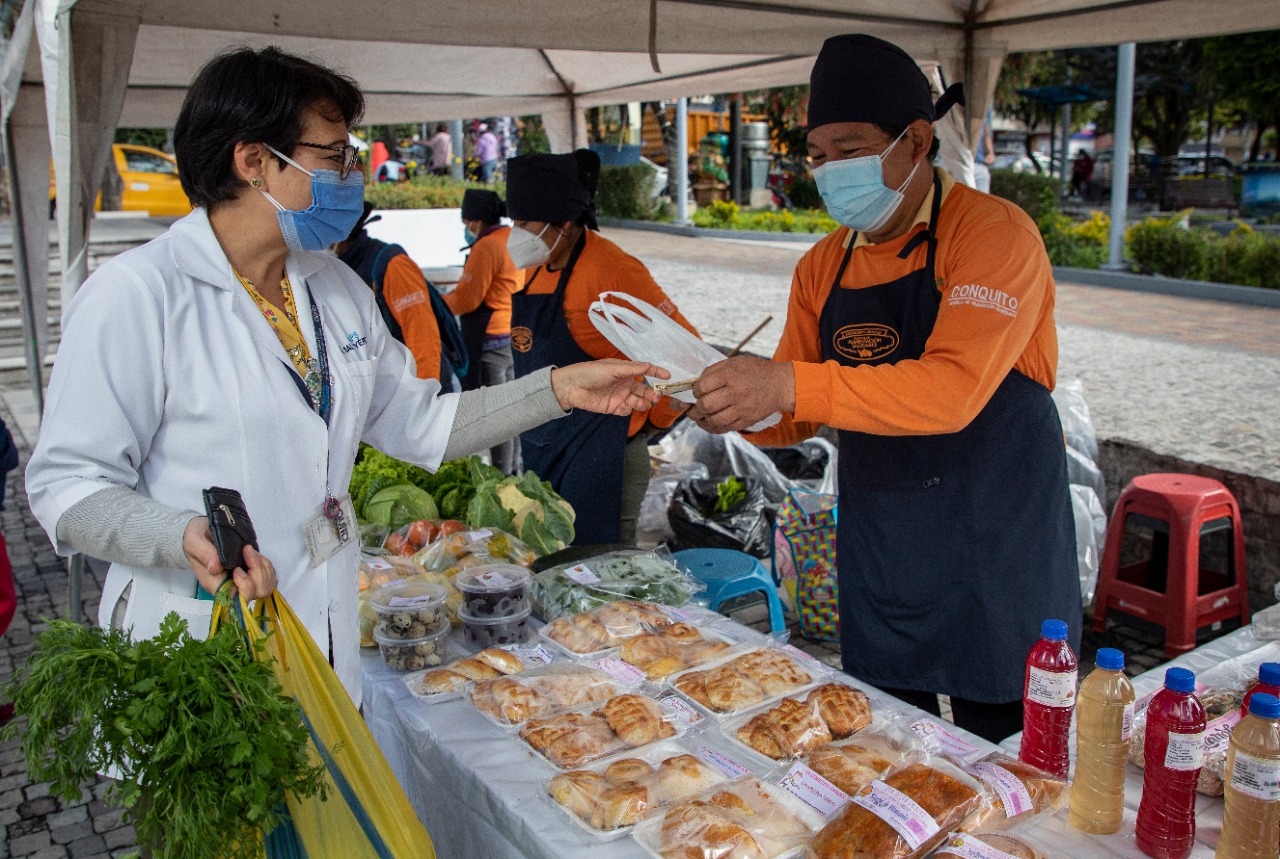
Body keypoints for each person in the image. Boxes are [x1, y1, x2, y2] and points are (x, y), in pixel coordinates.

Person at [24, 46, 667, 702]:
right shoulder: (138, 295)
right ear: (254, 162)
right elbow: (65, 485)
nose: (352, 175)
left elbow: (422, 424)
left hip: (327, 646)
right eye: (334, 156)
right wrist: (177, 534)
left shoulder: (334, 288)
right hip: (206, 659)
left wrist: (556, 388)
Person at [688, 33, 1079, 744]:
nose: (831, 170)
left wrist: (786, 382)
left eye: (850, 149)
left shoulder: (994, 235)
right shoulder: (821, 267)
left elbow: (950, 391)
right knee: (888, 748)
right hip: (886, 551)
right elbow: (789, 413)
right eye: (818, 155)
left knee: (1012, 760)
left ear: (917, 140)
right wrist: (725, 404)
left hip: (996, 546)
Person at [505, 150, 696, 545]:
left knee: (600, 577)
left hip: (602, 459)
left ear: (566, 222)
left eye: (524, 223)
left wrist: (651, 423)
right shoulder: (540, 264)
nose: (515, 234)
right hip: (545, 447)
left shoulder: (612, 270)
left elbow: (685, 354)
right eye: (514, 222)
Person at [336, 201, 465, 391]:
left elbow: (423, 336)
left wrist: (426, 395)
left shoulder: (391, 265)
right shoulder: (339, 267)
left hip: (419, 386)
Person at [445, 189, 523, 473]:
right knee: (512, 409)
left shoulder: (486, 247)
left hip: (490, 341)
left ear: (476, 221)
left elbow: (467, 299)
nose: (467, 230)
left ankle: (502, 477)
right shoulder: (512, 238)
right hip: (513, 336)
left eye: (467, 223)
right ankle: (513, 470)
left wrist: (435, 301)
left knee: (497, 414)